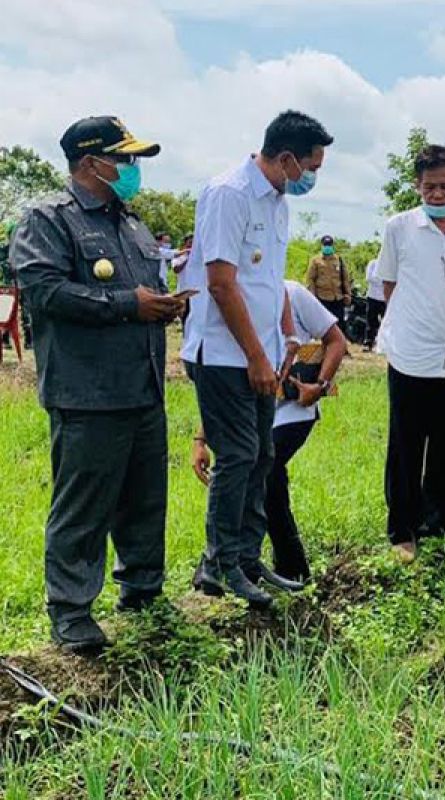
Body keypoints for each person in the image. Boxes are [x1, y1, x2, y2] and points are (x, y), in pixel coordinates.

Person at [10, 116, 183, 652]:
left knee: (145, 497)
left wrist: (162, 305)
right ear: (91, 163)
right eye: (125, 159)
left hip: (144, 385)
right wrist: (130, 305)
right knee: (84, 504)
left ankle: (142, 589)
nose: (132, 170)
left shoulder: (130, 223)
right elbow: (45, 293)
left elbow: (145, 290)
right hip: (87, 393)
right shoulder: (47, 220)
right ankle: (71, 610)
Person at [183, 109, 333, 608]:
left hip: (262, 353)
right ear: (287, 158)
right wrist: (253, 354)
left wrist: (282, 341)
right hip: (225, 354)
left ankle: (247, 559)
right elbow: (222, 284)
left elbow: (266, 283)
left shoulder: (277, 202)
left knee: (263, 456)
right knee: (240, 456)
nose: (312, 176)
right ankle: (221, 564)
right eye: (311, 166)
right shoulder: (230, 194)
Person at [376, 144, 445, 562]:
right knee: (407, 443)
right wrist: (411, 320)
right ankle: (402, 529)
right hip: (411, 349)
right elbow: (388, 285)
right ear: (417, 187)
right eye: (430, 188)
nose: (438, 195)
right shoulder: (399, 228)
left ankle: (438, 521)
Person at [192, 280, 347, 583]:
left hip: (292, 410)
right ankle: (239, 562)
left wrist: (320, 386)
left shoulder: (292, 293)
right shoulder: (229, 302)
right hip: (247, 412)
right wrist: (201, 439)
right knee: (253, 475)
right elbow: (223, 379)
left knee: (264, 470)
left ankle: (274, 564)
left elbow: (337, 341)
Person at [306, 234, 352, 331]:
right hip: (322, 297)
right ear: (322, 245)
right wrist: (313, 297)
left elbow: (345, 279)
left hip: (337, 297)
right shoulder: (316, 261)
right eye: (325, 245)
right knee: (323, 325)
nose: (327, 247)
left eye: (329, 245)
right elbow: (310, 280)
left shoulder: (339, 260)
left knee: (339, 324)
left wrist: (348, 294)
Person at [363, 254, 386, 350]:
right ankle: (369, 343)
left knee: (386, 322)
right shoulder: (373, 263)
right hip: (372, 297)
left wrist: (378, 280)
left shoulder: (389, 265)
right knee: (371, 321)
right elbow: (369, 278)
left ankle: (384, 345)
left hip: (385, 298)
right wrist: (382, 281)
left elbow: (392, 280)